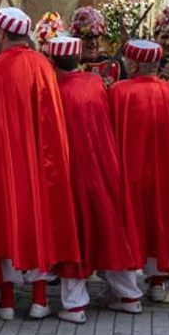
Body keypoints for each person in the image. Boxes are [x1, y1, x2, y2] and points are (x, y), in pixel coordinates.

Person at [0, 7, 80, 321]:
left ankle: (8, 302)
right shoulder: (43, 64)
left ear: (0, 34)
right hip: (41, 161)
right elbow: (52, 119)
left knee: (5, 224)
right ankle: (40, 300)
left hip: (6, 161)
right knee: (39, 223)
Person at [42, 36, 146, 320]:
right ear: (78, 59)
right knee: (110, 230)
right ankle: (129, 295)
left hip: (69, 172)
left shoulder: (51, 90)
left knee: (74, 234)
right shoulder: (96, 83)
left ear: (52, 61)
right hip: (103, 167)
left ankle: (75, 304)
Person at [111, 39, 169, 302]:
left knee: (131, 225)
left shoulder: (119, 91)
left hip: (130, 170)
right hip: (166, 172)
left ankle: (126, 290)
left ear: (134, 64)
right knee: (161, 222)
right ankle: (157, 283)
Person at [70, 6, 121, 87]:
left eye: (96, 37)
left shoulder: (115, 65)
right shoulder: (69, 66)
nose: (93, 42)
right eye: (88, 37)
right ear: (76, 38)